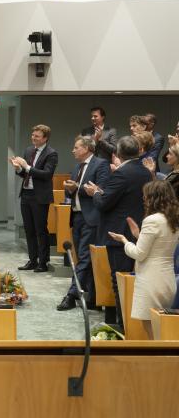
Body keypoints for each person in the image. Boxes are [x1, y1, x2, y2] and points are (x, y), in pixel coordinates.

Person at [84, 135, 148, 327]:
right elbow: (122, 197)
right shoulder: (145, 171)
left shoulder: (121, 173)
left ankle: (122, 325)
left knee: (119, 281)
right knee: (130, 282)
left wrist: (95, 193)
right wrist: (101, 192)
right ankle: (129, 324)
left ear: (118, 153)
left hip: (119, 234)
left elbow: (103, 204)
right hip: (137, 231)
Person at [108, 180, 179, 338]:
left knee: (152, 329)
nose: (143, 199)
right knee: (163, 327)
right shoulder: (173, 218)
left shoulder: (152, 220)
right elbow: (158, 246)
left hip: (151, 279)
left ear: (154, 197)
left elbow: (139, 254)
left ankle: (159, 361)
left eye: (145, 196)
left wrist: (125, 241)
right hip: (167, 278)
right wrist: (138, 235)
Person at [58, 136, 110, 311]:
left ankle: (71, 295)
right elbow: (76, 191)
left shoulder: (101, 164)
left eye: (76, 147)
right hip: (77, 216)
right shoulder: (78, 166)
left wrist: (77, 188)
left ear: (87, 148)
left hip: (91, 217)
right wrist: (70, 189)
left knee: (85, 258)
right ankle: (93, 298)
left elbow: (100, 189)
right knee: (82, 258)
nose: (73, 150)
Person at [11, 124, 58, 273]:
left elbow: (47, 174)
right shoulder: (29, 150)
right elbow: (24, 174)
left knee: (40, 230)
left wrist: (27, 167)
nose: (33, 138)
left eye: (37, 136)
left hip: (40, 196)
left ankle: (43, 262)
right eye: (33, 135)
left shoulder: (51, 153)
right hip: (26, 193)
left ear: (45, 138)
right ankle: (32, 260)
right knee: (28, 229)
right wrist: (18, 168)